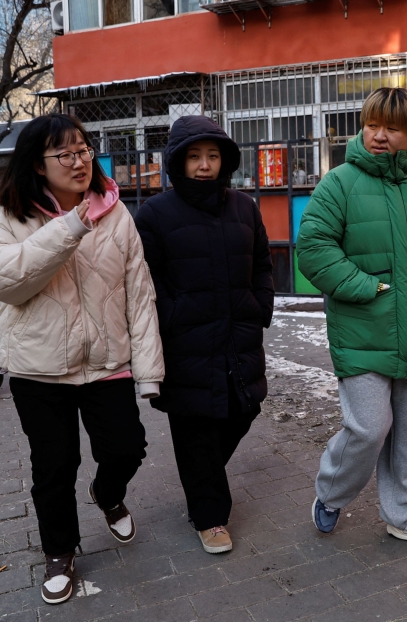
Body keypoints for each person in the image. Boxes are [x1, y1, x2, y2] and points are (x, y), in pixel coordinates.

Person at [0, 114, 164, 605]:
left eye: (83, 150)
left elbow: (138, 294)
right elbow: (3, 280)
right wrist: (70, 226)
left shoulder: (117, 214)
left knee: (126, 448)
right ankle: (60, 551)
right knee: (54, 466)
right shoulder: (11, 217)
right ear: (39, 163)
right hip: (40, 369)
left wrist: (150, 372)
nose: (79, 162)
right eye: (65, 154)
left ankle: (107, 492)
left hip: (105, 361)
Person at [297, 87, 407, 550]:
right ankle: (331, 493)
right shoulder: (339, 183)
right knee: (369, 428)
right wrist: (367, 288)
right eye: (372, 124)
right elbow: (313, 250)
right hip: (363, 331)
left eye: (391, 128)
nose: (378, 135)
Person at [134, 116, 274, 555]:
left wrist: (260, 308)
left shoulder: (245, 207)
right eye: (194, 156)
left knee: (244, 409)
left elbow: (263, 264)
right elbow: (146, 281)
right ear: (177, 161)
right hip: (186, 343)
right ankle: (210, 516)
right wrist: (173, 317)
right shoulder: (155, 214)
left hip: (238, 335)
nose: (204, 165)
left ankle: (202, 481)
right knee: (195, 428)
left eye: (213, 156)